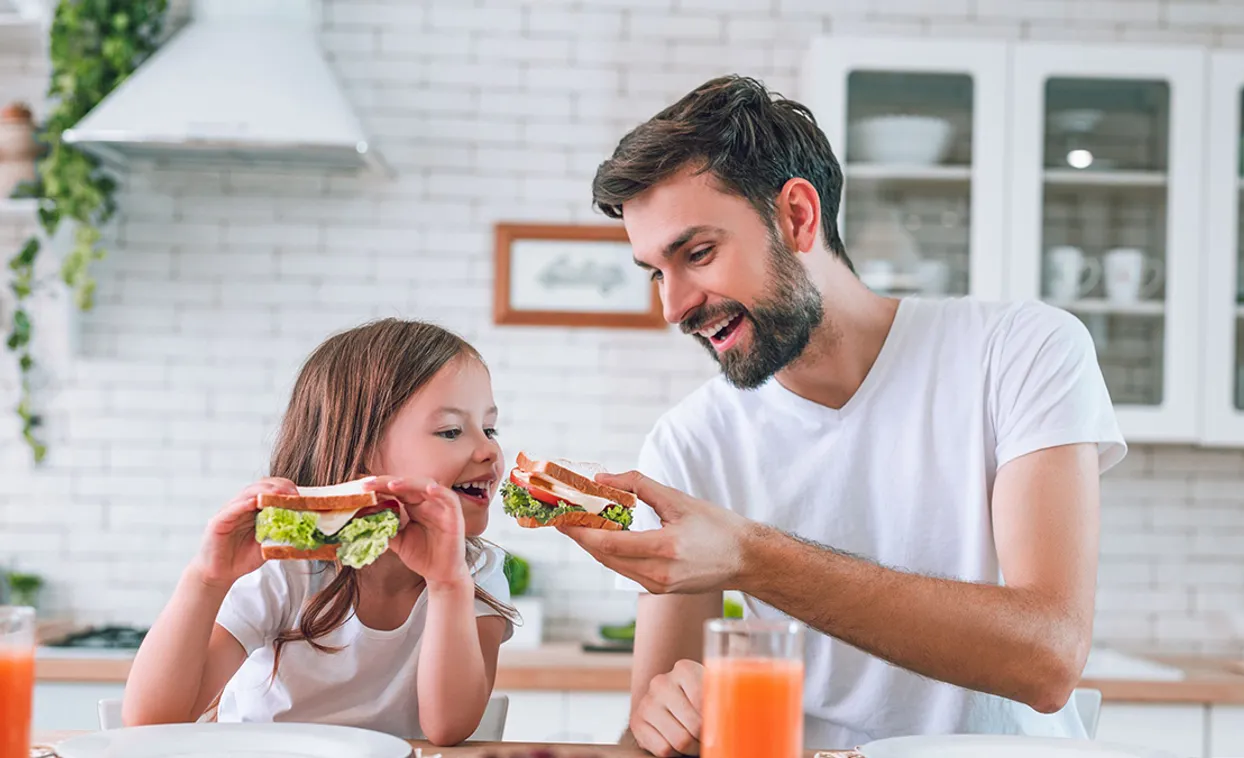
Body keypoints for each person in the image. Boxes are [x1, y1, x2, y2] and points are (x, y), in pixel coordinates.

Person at [559, 75, 1127, 754]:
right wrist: (662, 718)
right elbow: (651, 733)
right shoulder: (689, 444)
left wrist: (751, 556)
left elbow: (1047, 656)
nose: (673, 307)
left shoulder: (1017, 350)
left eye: (698, 254)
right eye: (655, 271)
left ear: (797, 216)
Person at [121, 319, 518, 746]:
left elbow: (448, 728)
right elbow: (152, 724)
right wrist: (206, 579)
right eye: (451, 431)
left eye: (489, 428)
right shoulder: (286, 568)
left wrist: (447, 584)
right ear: (359, 453)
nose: (489, 449)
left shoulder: (475, 572)